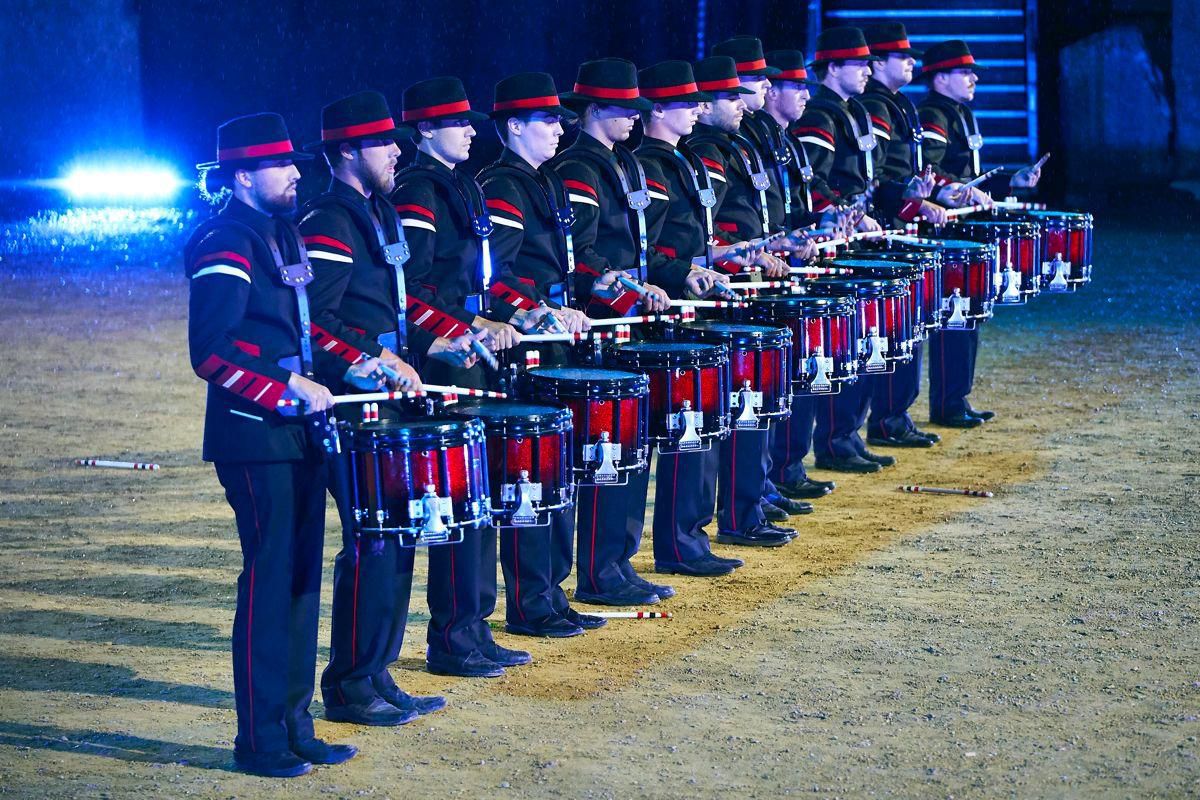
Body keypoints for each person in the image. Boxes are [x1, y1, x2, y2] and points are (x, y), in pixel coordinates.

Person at [187, 112, 383, 776]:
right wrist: (284, 388)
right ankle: (260, 739)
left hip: (297, 435)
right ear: (244, 176)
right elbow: (211, 351)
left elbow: (300, 330)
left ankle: (296, 725)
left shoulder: (279, 232)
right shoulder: (225, 239)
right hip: (253, 438)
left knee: (301, 581)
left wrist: (351, 363)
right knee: (271, 584)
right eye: (282, 165)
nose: (297, 173)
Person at [298, 89, 460, 724]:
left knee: (398, 536)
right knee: (370, 543)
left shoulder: (382, 213)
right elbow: (313, 322)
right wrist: (370, 358)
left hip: (390, 398)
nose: (396, 150)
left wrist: (431, 339)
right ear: (346, 152)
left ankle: (378, 670)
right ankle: (349, 684)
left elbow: (393, 310)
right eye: (382, 143)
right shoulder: (326, 222)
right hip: (353, 404)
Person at [391, 76, 554, 677]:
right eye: (456, 123)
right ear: (425, 132)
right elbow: (411, 291)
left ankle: (475, 626)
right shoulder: (417, 193)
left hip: (471, 351)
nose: (469, 130)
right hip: (442, 363)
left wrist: (487, 319)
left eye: (469, 122)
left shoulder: (457, 184)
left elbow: (471, 285)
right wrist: (459, 331)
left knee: (482, 496)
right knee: (459, 499)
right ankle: (452, 636)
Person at [474, 72, 606, 636]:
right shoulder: (503, 184)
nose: (559, 129)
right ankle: (531, 600)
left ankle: (551, 592)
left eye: (559, 120)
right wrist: (531, 310)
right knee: (534, 475)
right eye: (547, 121)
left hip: (552, 339)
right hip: (527, 350)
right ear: (513, 127)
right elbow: (489, 279)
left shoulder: (542, 180)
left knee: (560, 473)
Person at [553, 58, 681, 603]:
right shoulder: (578, 168)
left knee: (632, 446)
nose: (635, 117)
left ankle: (618, 562)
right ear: (594, 111)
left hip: (628, 318)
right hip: (601, 324)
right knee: (608, 448)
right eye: (625, 109)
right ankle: (600, 571)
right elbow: (578, 258)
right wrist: (628, 291)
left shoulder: (621, 161)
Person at [635, 58, 749, 576]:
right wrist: (680, 272)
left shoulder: (677, 160)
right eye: (687, 104)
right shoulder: (653, 165)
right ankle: (678, 544)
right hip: (657, 309)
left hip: (684, 299)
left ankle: (689, 540)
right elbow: (645, 249)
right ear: (659, 110)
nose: (697, 109)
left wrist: (716, 260)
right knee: (682, 428)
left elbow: (684, 240)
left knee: (695, 426)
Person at [686, 54, 796, 547]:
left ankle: (751, 502)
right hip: (719, 290)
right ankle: (738, 512)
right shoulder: (706, 151)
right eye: (730, 96)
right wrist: (744, 256)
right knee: (737, 405)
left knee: (752, 401)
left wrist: (772, 246)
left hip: (744, 277)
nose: (741, 103)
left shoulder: (735, 144)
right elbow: (708, 236)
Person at [793, 27, 900, 474]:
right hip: (837, 240)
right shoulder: (820, 114)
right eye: (858, 64)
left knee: (857, 343)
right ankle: (834, 438)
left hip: (855, 231)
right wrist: (840, 212)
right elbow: (812, 182)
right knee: (841, 345)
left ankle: (847, 433)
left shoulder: (850, 110)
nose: (867, 70)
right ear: (832, 68)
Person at [918, 40, 1040, 427]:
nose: (973, 78)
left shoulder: (960, 113)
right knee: (954, 315)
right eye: (964, 72)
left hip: (964, 227)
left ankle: (957, 398)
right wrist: (956, 188)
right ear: (939, 78)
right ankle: (948, 403)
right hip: (943, 229)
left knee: (966, 315)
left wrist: (1011, 182)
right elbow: (931, 172)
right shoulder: (933, 115)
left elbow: (970, 177)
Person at [857, 23, 946, 449]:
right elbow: (872, 177)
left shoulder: (896, 103)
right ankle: (886, 419)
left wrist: (915, 195)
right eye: (902, 56)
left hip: (894, 217)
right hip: (879, 225)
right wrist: (905, 196)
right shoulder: (874, 105)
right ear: (877, 64)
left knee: (904, 327)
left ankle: (894, 415)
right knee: (891, 329)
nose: (912, 61)